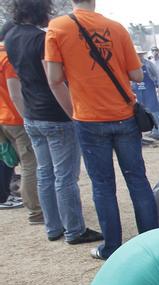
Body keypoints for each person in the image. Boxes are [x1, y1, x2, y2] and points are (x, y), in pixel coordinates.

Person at [45, 0, 159, 260]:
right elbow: (137, 75)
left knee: (103, 186)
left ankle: (112, 247)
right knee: (137, 180)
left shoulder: (57, 28)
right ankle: (151, 242)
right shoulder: (117, 28)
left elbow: (54, 78)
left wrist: (73, 112)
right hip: (124, 114)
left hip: (88, 117)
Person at [5, 1, 101, 244]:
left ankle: (53, 227)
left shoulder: (11, 37)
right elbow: (54, 80)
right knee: (65, 176)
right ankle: (74, 230)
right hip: (55, 115)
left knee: (44, 173)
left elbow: (15, 84)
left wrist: (25, 113)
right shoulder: (41, 39)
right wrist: (73, 114)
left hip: (32, 116)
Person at [0, 22, 42, 226]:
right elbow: (15, 92)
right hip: (16, 118)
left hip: (2, 120)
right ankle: (36, 211)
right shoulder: (7, 59)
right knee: (29, 165)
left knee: (12, 162)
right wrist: (28, 119)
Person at [133, 48, 159, 139]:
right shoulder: (132, 65)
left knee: (153, 109)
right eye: (138, 54)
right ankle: (141, 132)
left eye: (141, 54)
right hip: (137, 90)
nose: (139, 56)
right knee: (139, 110)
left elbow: (157, 75)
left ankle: (156, 131)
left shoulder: (149, 64)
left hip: (149, 89)